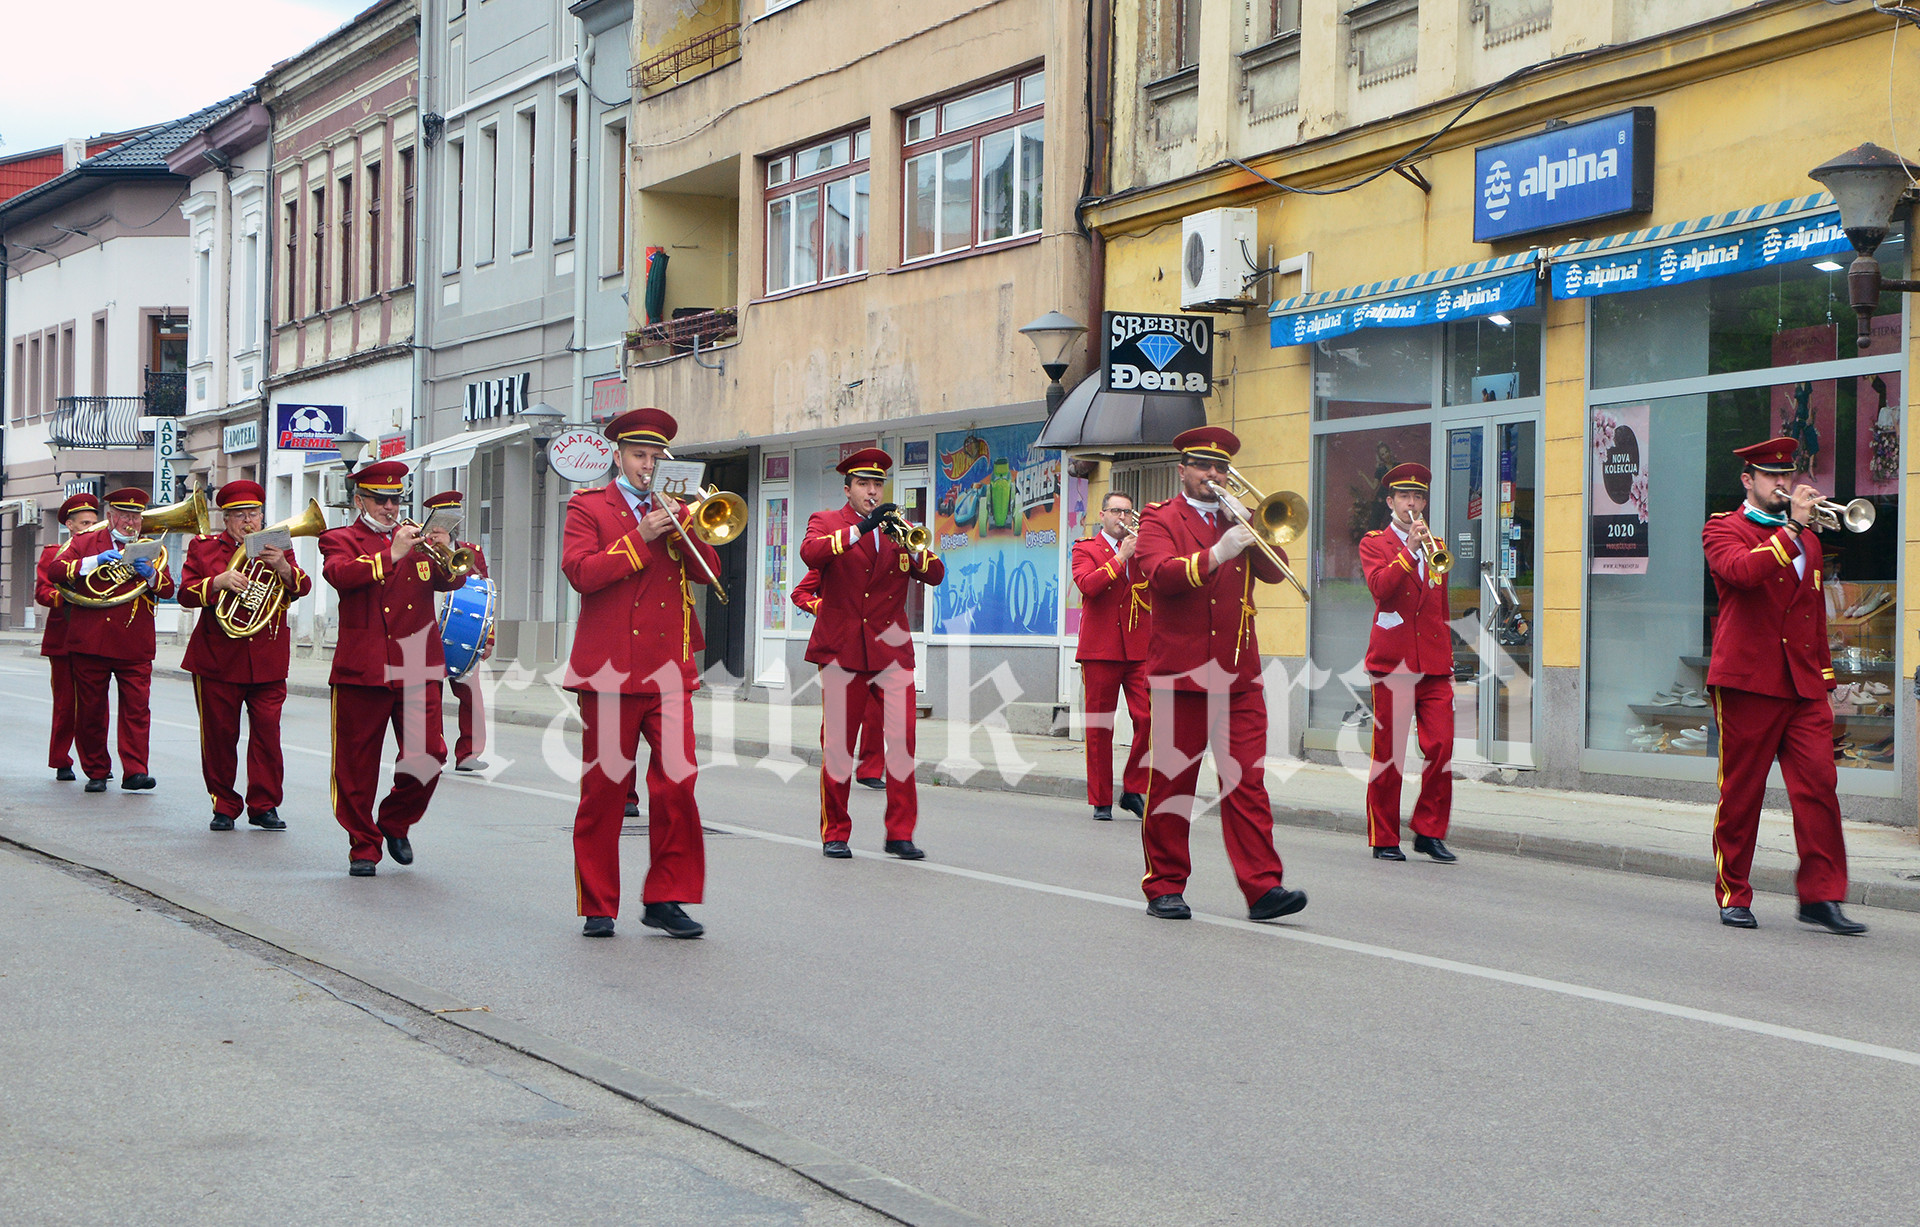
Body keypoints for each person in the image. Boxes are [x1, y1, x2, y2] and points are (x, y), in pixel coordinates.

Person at [1133, 427, 1305, 923]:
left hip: (1238, 675)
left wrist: (1251, 531)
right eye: (1204, 466)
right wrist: (1219, 551)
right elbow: (1161, 575)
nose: (1214, 475)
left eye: (1221, 467)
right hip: (1180, 674)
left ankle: (1263, 888)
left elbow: (1276, 572)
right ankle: (1164, 885)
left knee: (1247, 782)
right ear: (1181, 469)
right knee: (1172, 783)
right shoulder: (1158, 518)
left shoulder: (1243, 519)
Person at [562, 407, 719, 939]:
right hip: (607, 671)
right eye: (639, 456)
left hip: (669, 671)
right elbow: (581, 573)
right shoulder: (588, 506)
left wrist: (685, 530)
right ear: (618, 456)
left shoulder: (677, 509)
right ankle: (599, 904)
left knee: (678, 784)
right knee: (605, 790)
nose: (648, 466)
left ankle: (666, 897)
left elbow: (709, 576)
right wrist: (640, 537)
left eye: (656, 458)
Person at [1701, 436, 1863, 934]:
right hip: (1748, 681)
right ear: (1748, 480)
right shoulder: (1723, 529)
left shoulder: (1811, 540)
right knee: (1743, 792)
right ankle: (1734, 892)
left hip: (1803, 685)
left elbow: (1812, 613)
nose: (1783, 484)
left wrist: (1827, 680)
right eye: (1771, 477)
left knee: (1820, 789)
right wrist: (1792, 526)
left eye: (1787, 476)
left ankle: (1820, 896)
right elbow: (1742, 573)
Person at [319, 460, 464, 877]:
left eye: (395, 499)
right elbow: (340, 576)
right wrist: (391, 552)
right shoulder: (339, 538)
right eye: (380, 499)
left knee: (430, 755)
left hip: (418, 664)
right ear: (360, 500)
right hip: (362, 668)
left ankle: (395, 821)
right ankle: (363, 844)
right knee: (355, 765)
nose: (389, 507)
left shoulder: (417, 540)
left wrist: (446, 543)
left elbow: (453, 578)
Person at [799, 448, 944, 860]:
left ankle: (900, 833)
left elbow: (934, 575)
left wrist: (913, 546)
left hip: (893, 653)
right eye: (863, 484)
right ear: (848, 490)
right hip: (843, 650)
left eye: (877, 484)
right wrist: (862, 529)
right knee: (840, 748)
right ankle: (836, 831)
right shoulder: (827, 522)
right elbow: (812, 555)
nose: (872, 491)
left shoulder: (901, 528)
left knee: (901, 746)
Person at [176, 480, 311, 833]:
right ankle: (224, 804)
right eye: (239, 515)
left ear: (262, 514)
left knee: (267, 735)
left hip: (267, 655)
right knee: (220, 736)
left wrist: (283, 566)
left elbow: (301, 586)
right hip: (218, 656)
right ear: (226, 519)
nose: (248, 522)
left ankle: (264, 805)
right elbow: (186, 594)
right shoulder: (203, 548)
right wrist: (217, 582)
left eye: (253, 514)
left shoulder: (277, 541)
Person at [1358, 463, 1458, 863]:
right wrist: (1409, 550)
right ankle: (1384, 836)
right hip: (1393, 663)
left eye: (1418, 497)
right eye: (1404, 497)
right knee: (1389, 753)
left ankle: (1429, 830)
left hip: (1433, 662)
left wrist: (1448, 658)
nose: (1412, 504)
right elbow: (1381, 589)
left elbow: (1440, 607)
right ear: (1390, 502)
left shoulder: (1438, 546)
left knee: (1443, 746)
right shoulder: (1374, 543)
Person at [53, 487, 175, 793]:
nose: (130, 522)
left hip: (134, 642)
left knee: (137, 709)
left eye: (135, 516)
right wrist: (92, 562)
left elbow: (169, 589)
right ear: (110, 516)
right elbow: (55, 570)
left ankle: (135, 771)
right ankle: (96, 769)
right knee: (91, 709)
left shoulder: (152, 547)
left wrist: (151, 576)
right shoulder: (85, 541)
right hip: (91, 640)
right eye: (123, 515)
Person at [1071, 490, 1151, 821]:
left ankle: (1133, 788)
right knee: (1100, 727)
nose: (1123, 518)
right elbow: (1088, 585)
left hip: (1140, 649)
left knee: (1150, 719)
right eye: (1116, 511)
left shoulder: (1143, 549)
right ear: (1102, 515)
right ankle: (1100, 797)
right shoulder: (1085, 548)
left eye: (1128, 512)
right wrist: (1120, 558)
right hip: (1100, 649)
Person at [792, 567, 885, 789]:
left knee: (876, 712)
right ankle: (836, 768)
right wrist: (825, 608)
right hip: (839, 646)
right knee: (838, 716)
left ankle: (870, 770)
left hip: (875, 644)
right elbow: (799, 594)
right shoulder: (832, 560)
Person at [421, 489, 492, 772]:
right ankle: (433, 753)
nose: (445, 524)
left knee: (470, 694)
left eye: (452, 518)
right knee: (430, 697)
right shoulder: (418, 548)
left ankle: (469, 753)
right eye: (441, 518)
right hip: (428, 629)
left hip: (463, 630)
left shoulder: (471, 552)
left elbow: (486, 593)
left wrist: (488, 637)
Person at [37, 492, 101, 781]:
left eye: (94, 521)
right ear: (71, 526)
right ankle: (61, 758)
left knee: (94, 706)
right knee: (66, 704)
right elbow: (42, 592)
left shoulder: (102, 552)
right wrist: (69, 596)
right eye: (85, 522)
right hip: (63, 638)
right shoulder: (55, 553)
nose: (91, 527)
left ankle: (95, 762)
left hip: (95, 637)